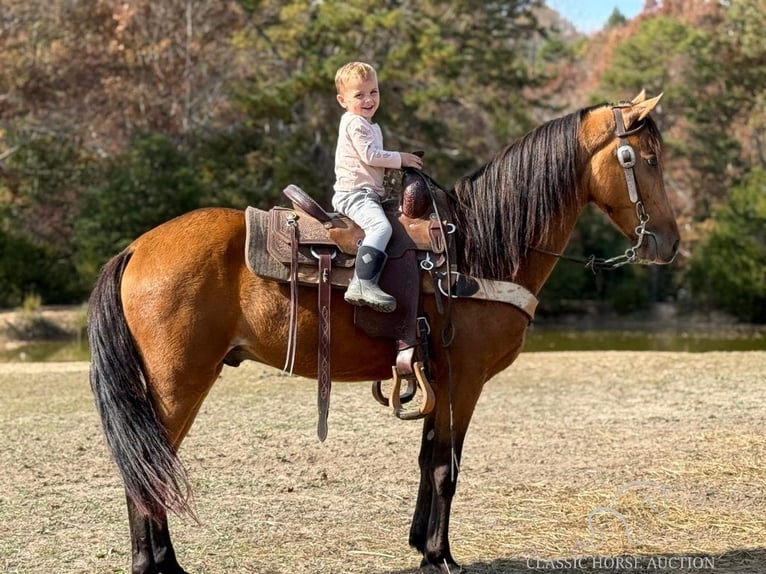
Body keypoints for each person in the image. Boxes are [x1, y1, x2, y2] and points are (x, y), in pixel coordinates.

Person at [332, 61, 423, 313]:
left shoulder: (370, 125)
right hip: (354, 194)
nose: (369, 99)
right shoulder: (355, 123)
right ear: (342, 100)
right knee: (380, 227)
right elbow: (370, 155)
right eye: (359, 95)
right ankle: (361, 283)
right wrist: (400, 158)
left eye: (374, 92)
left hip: (366, 193)